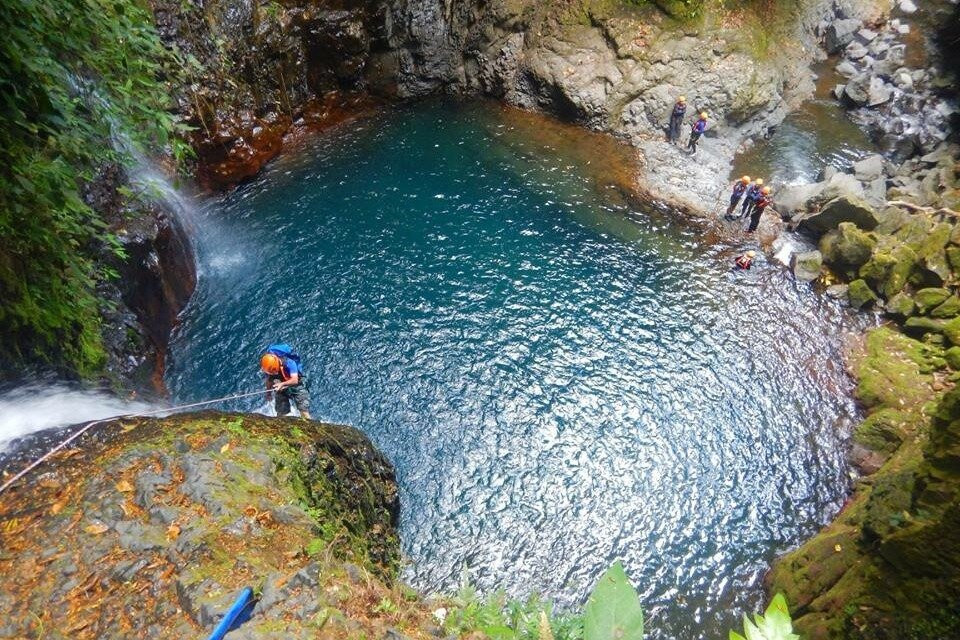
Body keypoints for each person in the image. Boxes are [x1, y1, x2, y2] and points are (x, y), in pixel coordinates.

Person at [260, 343, 311, 419]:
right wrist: (268, 393)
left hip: (297, 385)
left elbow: (295, 380)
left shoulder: (289, 363)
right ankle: (280, 422)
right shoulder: (269, 366)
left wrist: (282, 384)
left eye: (274, 371)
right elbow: (269, 380)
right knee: (281, 411)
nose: (274, 373)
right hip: (282, 384)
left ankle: (308, 424)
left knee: (303, 410)